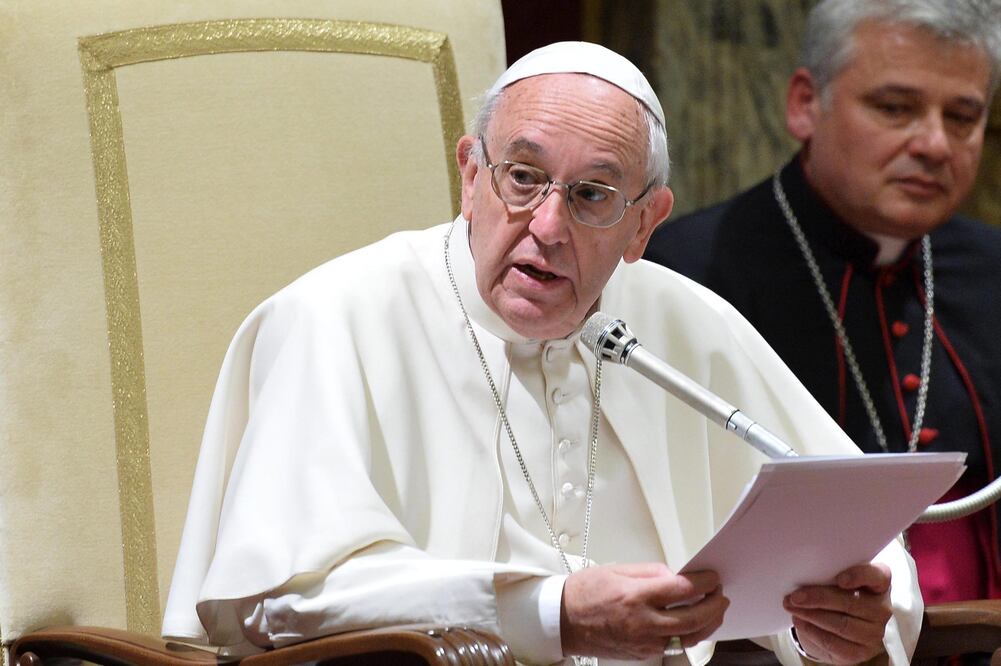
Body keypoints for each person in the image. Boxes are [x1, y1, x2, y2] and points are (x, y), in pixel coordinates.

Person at [163, 42, 921, 665]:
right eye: (522, 178)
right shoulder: (334, 318)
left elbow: (859, 538)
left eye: (593, 194)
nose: (547, 225)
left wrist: (832, 631)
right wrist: (547, 612)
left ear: (644, 224)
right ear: (469, 177)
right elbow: (278, 602)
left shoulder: (681, 322)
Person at [644, 0, 1001, 606]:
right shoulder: (681, 276)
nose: (937, 144)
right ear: (805, 104)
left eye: (963, 117)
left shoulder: (991, 269)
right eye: (896, 108)